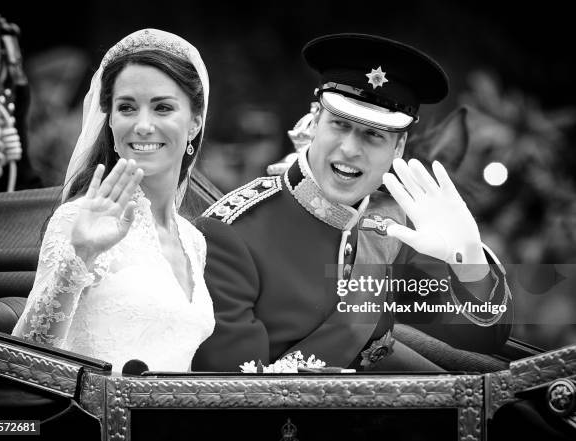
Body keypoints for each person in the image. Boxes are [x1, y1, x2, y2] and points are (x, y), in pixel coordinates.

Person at [192, 33, 512, 372]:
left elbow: (483, 339)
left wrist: (469, 260)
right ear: (315, 122)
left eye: (374, 134)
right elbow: (233, 398)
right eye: (340, 124)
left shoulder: (392, 227)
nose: (350, 149)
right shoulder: (231, 232)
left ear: (399, 147)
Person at [12, 29, 214, 373]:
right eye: (126, 108)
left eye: (163, 107)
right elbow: (24, 365)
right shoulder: (77, 220)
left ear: (194, 123)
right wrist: (80, 255)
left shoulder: (194, 241)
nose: (143, 125)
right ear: (110, 121)